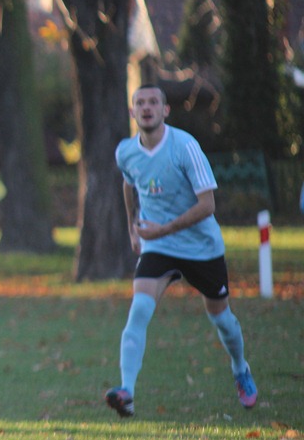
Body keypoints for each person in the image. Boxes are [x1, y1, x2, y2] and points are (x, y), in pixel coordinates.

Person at [106, 84, 258, 418]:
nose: (147, 108)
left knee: (223, 320)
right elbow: (129, 183)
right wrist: (134, 226)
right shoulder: (126, 152)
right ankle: (127, 392)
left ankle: (239, 368)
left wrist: (163, 228)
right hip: (158, 247)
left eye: (154, 102)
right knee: (139, 311)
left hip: (201, 248)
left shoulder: (185, 147)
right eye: (140, 103)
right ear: (132, 112)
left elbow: (208, 205)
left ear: (165, 111)